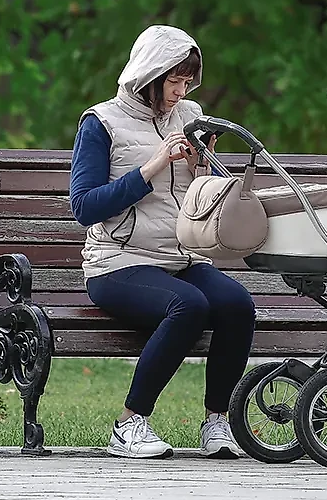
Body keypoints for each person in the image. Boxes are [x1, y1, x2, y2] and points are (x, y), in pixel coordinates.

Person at [68, 25, 256, 460]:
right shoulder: (101, 123)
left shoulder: (190, 116)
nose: (180, 91)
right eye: (174, 81)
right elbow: (84, 207)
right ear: (149, 75)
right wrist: (150, 167)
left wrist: (200, 170)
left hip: (179, 256)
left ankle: (217, 424)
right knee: (189, 305)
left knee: (236, 304)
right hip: (117, 263)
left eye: (187, 82)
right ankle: (130, 424)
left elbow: (199, 194)